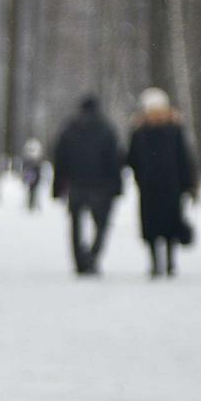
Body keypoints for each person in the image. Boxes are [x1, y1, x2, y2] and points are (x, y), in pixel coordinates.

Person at [125, 87, 198, 278]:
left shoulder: (142, 131)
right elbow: (184, 159)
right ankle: (166, 263)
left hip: (154, 187)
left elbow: (132, 159)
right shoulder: (171, 130)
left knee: (156, 226)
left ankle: (158, 264)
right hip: (167, 187)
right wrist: (187, 184)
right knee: (166, 226)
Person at [50, 94, 125, 275]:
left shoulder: (70, 129)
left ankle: (79, 261)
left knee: (76, 224)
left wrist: (58, 186)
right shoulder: (106, 129)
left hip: (77, 185)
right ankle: (92, 256)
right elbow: (115, 160)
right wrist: (117, 185)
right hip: (101, 186)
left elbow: (60, 159)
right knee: (101, 225)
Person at [18, 138, 46, 212]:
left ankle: (33, 204)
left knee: (34, 190)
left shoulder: (33, 153)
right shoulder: (31, 154)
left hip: (34, 175)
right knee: (31, 189)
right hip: (31, 175)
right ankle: (31, 204)